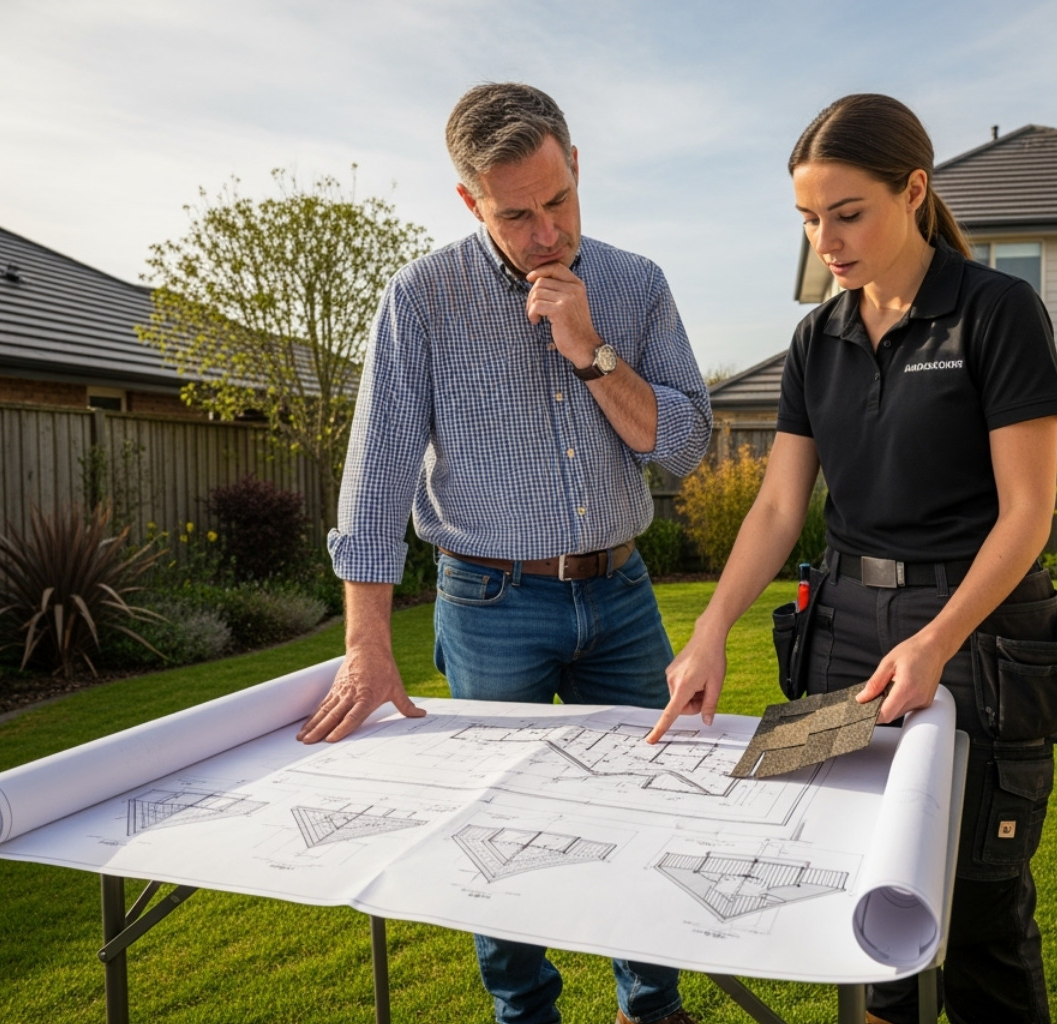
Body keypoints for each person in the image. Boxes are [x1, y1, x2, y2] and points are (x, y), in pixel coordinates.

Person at [647, 94, 1057, 1024]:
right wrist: (710, 631)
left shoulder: (998, 312)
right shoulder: (816, 338)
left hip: (976, 638)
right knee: (859, 901)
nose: (825, 241)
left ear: (913, 191)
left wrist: (935, 642)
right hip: (839, 638)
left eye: (847, 214)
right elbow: (776, 507)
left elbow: (1028, 514)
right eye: (808, 220)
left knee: (980, 915)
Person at [298, 83, 711, 1024]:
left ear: (576, 165)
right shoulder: (421, 299)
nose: (545, 231)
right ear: (469, 202)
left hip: (622, 595)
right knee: (500, 832)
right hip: (487, 603)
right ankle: (524, 1014)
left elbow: (685, 442)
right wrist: (367, 643)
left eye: (558, 200)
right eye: (515, 214)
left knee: (650, 803)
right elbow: (375, 480)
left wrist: (592, 349)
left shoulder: (637, 283)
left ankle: (652, 1007)